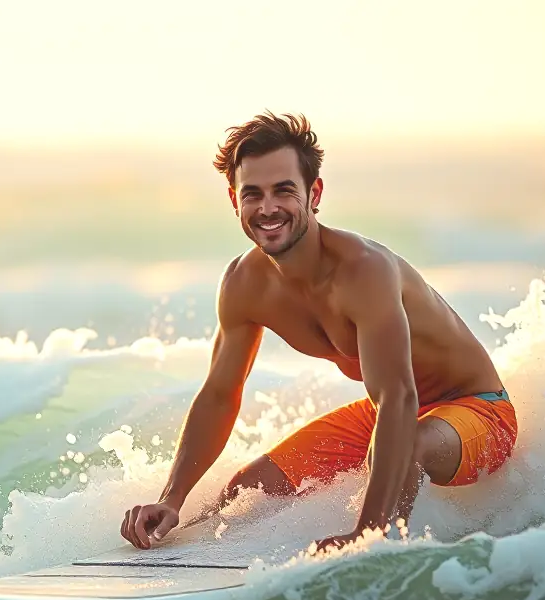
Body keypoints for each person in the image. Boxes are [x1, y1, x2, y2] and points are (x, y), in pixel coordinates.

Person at [119, 112, 519, 553]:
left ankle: (380, 551)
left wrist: (364, 533)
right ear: (234, 200)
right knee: (247, 491)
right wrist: (171, 499)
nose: (268, 208)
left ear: (315, 193)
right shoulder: (243, 285)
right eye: (253, 194)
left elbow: (399, 398)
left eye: (283, 191)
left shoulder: (365, 271)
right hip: (384, 411)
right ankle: (184, 546)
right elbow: (219, 394)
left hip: (477, 411)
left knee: (412, 445)